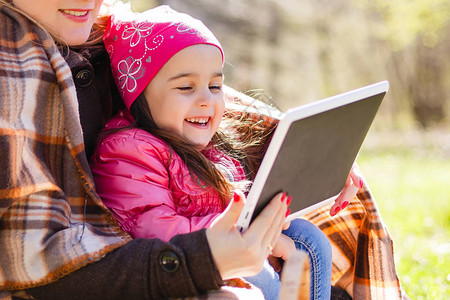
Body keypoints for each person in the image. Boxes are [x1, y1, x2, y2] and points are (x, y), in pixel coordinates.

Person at [0, 1, 291, 299]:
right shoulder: (10, 71)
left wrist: (315, 147)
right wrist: (198, 261)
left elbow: (215, 99)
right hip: (124, 272)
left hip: (175, 255)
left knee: (306, 240)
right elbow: (31, 260)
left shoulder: (111, 30)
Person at [90, 6, 361, 300]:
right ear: (139, 94)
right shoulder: (128, 149)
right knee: (257, 272)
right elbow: (152, 228)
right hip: (183, 266)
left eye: (215, 86)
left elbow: (264, 173)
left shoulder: (213, 145)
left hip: (231, 244)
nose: (207, 100)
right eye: (185, 87)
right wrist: (249, 235)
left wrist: (325, 162)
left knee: (310, 241)